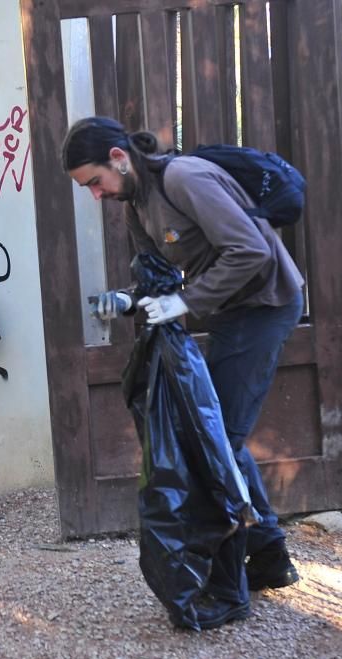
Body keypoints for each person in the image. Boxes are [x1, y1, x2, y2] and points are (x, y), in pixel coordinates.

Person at [62, 117, 304, 620]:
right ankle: (268, 552)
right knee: (217, 438)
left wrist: (184, 302)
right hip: (233, 311)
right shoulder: (137, 204)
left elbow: (252, 251)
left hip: (265, 303)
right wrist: (126, 301)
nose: (95, 194)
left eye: (94, 181)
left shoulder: (183, 179)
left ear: (118, 157)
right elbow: (158, 278)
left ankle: (239, 577)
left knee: (220, 441)